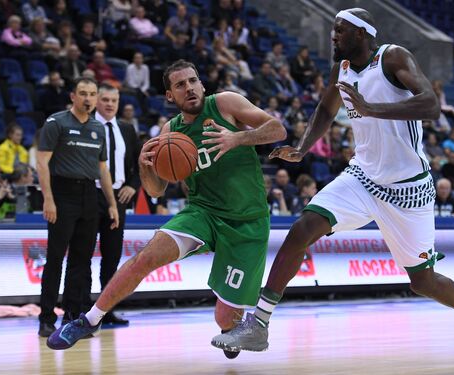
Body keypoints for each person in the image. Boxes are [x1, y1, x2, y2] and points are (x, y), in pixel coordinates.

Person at [211, 8, 454, 365]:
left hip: (408, 189)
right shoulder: (341, 70)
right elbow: (327, 110)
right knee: (302, 230)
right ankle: (260, 323)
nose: (333, 37)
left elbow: (431, 105)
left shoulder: (392, 57)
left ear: (361, 33)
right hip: (361, 177)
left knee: (422, 281)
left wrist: (371, 108)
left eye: (339, 31)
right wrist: (302, 147)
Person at [46, 60, 286, 359]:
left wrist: (237, 138)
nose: (190, 88)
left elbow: (277, 129)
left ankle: (229, 329)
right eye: (180, 85)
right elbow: (157, 190)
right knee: (146, 257)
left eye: (193, 80)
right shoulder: (170, 131)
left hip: (247, 222)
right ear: (170, 96)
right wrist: (145, 166)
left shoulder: (225, 103)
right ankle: (87, 320)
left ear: (202, 84)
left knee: (225, 319)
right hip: (203, 212)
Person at [36, 77, 119, 337]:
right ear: (73, 96)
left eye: (92, 94)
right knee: (55, 259)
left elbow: (103, 169)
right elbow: (41, 163)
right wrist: (48, 199)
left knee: (81, 262)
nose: (88, 99)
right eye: (83, 93)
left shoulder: (97, 128)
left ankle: (72, 318)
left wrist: (112, 204)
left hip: (89, 196)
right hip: (62, 194)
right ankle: (46, 317)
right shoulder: (56, 122)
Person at [87, 84, 140, 325]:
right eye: (105, 99)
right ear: (97, 101)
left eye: (113, 100)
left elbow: (142, 163)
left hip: (118, 197)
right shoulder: (86, 125)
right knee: (83, 255)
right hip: (89, 194)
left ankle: (105, 311)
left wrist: (132, 185)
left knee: (111, 257)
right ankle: (81, 308)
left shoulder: (127, 129)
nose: (109, 104)